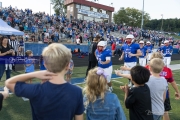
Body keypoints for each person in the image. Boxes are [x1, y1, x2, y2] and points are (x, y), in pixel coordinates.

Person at [5, 43, 84, 120]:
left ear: (45, 64)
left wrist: (35, 74)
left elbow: (9, 82)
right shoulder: (77, 92)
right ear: (68, 65)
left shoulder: (36, 90)